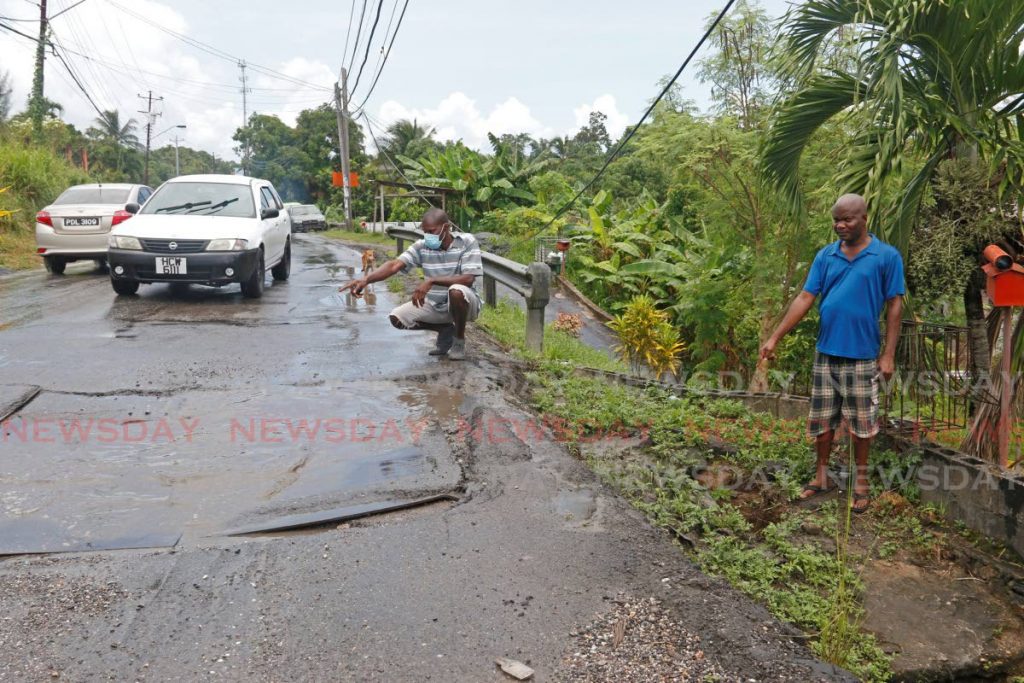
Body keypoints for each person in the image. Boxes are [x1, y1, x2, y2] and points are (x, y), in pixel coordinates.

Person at [759, 194, 905, 514]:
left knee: (862, 425)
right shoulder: (825, 256)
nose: (840, 225)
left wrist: (889, 354)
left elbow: (895, 303)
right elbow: (805, 297)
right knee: (822, 421)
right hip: (826, 353)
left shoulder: (886, 257)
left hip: (863, 356)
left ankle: (862, 482)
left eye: (847, 219)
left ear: (865, 218)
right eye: (836, 220)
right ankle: (821, 476)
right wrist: (775, 337)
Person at [339, 208, 483, 360]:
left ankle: (459, 341)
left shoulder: (466, 241)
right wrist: (366, 279)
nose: (428, 236)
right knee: (397, 318)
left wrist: (432, 281)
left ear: (446, 227)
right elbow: (394, 265)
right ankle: (445, 329)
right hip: (435, 304)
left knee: (456, 291)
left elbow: (468, 279)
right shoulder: (422, 246)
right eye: (425, 232)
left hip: (465, 303)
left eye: (432, 231)